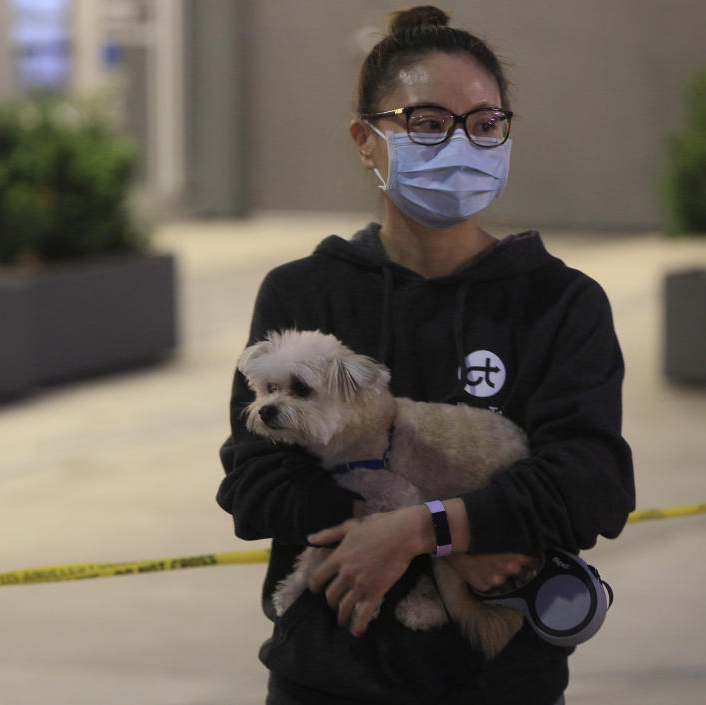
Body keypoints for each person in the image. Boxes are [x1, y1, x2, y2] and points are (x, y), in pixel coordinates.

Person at [217, 5, 635, 704]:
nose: (462, 144)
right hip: (329, 675)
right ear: (365, 139)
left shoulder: (561, 302)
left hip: (498, 681)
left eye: (485, 123)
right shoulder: (303, 294)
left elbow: (592, 485)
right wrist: (406, 533)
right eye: (428, 123)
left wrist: (426, 527)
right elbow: (255, 481)